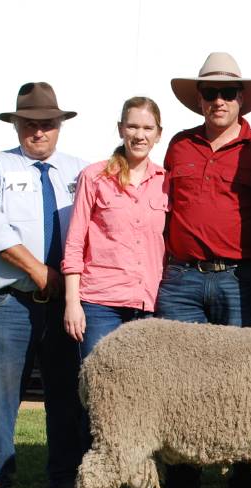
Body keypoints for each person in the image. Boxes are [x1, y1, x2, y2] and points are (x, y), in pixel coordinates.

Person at [150, 52, 251, 488]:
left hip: (238, 279)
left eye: (227, 93)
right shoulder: (178, 146)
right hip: (181, 279)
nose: (218, 100)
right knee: (179, 388)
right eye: (210, 93)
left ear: (242, 99)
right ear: (199, 99)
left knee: (242, 390)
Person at [0, 82, 87, 488]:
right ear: (17, 125)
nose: (38, 132)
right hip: (9, 301)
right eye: (30, 124)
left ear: (59, 126)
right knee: (0, 395)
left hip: (65, 304)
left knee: (66, 394)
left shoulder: (82, 171)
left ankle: (65, 476)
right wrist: (41, 273)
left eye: (46, 124)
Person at [61, 96, 166, 357]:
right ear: (120, 129)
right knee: (99, 387)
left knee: (142, 387)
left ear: (158, 134)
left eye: (147, 128)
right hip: (100, 304)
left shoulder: (166, 182)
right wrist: (72, 303)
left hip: (147, 303)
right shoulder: (94, 177)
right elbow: (74, 243)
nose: (139, 135)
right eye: (132, 127)